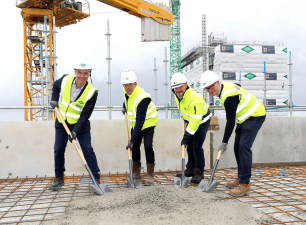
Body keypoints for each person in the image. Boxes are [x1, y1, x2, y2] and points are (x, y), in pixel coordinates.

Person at [200, 70, 266, 197]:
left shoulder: (228, 97)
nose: (210, 91)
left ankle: (245, 184)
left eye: (212, 87)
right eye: (207, 89)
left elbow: (230, 123)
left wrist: (224, 143)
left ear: (217, 82)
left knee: (243, 147)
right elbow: (237, 86)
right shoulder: (224, 87)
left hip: (255, 115)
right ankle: (241, 178)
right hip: (244, 118)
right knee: (237, 148)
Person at [48, 60, 101, 191]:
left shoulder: (92, 92)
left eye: (85, 73)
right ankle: (59, 178)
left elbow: (85, 115)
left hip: (80, 126)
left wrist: (75, 132)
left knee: (87, 150)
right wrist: (54, 99)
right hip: (62, 122)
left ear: (89, 74)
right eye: (79, 73)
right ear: (75, 72)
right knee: (58, 149)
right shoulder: (66, 79)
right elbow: (55, 85)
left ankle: (96, 179)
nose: (82, 76)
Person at [171, 73, 212, 184]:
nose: (178, 90)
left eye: (180, 86)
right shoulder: (177, 95)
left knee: (196, 145)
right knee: (189, 145)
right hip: (191, 120)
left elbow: (195, 121)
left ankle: (199, 172)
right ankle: (191, 168)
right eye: (176, 88)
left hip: (202, 120)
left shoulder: (195, 97)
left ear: (186, 85)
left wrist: (186, 136)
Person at [121, 70, 158, 186]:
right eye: (125, 85)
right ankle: (136, 175)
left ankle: (150, 176)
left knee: (147, 145)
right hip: (135, 123)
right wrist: (124, 106)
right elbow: (127, 98)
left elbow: (140, 122)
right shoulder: (126, 91)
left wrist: (132, 140)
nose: (127, 87)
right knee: (135, 147)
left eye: (130, 84)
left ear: (135, 84)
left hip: (148, 122)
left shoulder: (142, 98)